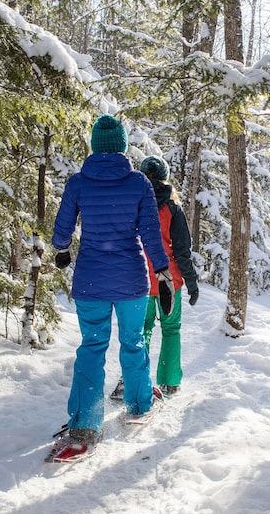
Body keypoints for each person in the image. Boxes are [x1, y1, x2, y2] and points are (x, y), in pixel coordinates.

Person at [47, 114, 174, 461]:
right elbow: (150, 233)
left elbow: (62, 229)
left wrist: (62, 249)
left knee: (91, 347)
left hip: (91, 280)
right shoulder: (138, 183)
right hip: (131, 279)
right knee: (133, 342)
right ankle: (139, 405)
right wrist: (162, 271)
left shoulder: (78, 183)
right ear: (121, 145)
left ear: (95, 145)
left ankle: (85, 425)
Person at [111, 155, 199, 400]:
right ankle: (169, 382)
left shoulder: (131, 206)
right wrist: (191, 282)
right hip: (168, 280)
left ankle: (130, 381)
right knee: (171, 329)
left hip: (138, 279)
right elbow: (182, 250)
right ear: (164, 178)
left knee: (140, 331)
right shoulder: (172, 209)